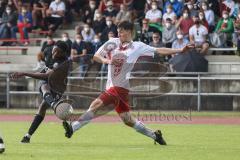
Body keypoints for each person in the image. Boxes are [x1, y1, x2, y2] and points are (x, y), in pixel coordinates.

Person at [62, 21, 193, 145]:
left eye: (122, 32)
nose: (119, 34)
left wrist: (180, 51)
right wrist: (108, 61)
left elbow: (159, 50)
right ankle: (155, 136)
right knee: (128, 120)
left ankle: (72, 128)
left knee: (95, 104)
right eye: (118, 31)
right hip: (114, 87)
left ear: (130, 32)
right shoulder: (112, 42)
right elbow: (96, 56)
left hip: (120, 87)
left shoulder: (138, 46)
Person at [11, 41, 70, 143]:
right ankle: (27, 136)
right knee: (43, 91)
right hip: (48, 81)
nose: (54, 53)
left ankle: (66, 120)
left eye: (58, 52)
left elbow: (47, 75)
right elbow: (45, 68)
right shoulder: (48, 51)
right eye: (54, 50)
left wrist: (25, 73)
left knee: (43, 97)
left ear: (64, 53)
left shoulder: (64, 63)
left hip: (58, 87)